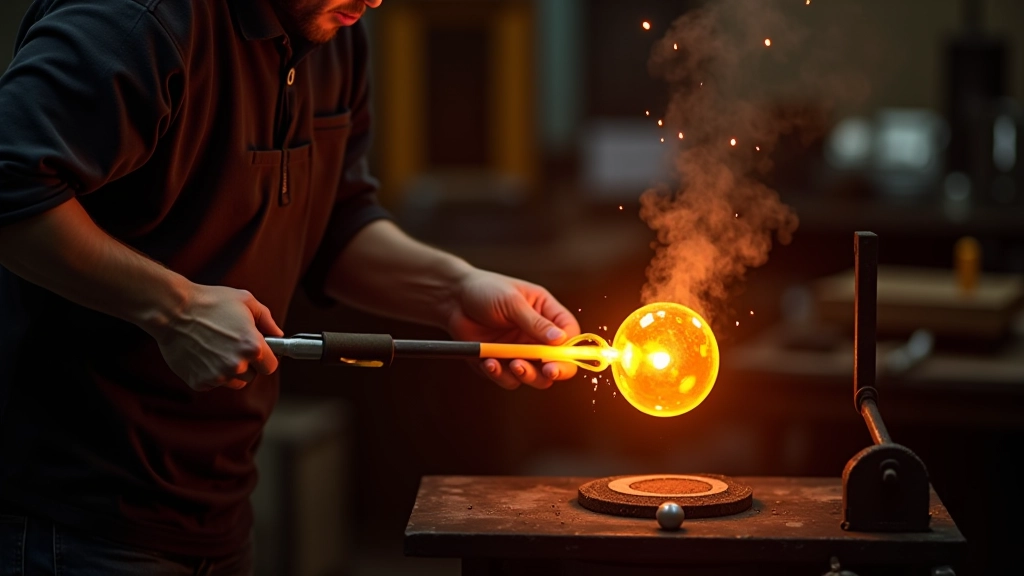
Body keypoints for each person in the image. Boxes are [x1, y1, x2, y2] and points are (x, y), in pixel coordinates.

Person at [0, 0, 580, 572]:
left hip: (218, 507)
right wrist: (173, 309)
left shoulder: (334, 27)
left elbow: (331, 221)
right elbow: (13, 188)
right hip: (72, 520)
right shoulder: (137, 20)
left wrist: (456, 289)